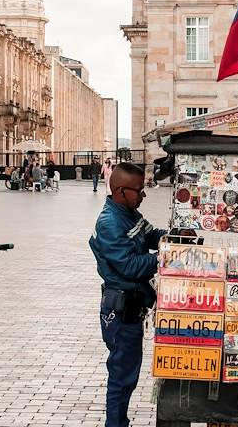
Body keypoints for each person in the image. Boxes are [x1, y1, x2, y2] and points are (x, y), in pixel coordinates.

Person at [88, 162, 167, 427]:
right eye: (139, 190)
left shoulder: (130, 214)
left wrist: (175, 238)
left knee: (128, 373)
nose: (143, 195)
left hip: (133, 306)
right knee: (122, 376)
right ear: (121, 191)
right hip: (121, 309)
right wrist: (167, 258)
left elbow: (151, 234)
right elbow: (130, 265)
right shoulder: (110, 222)